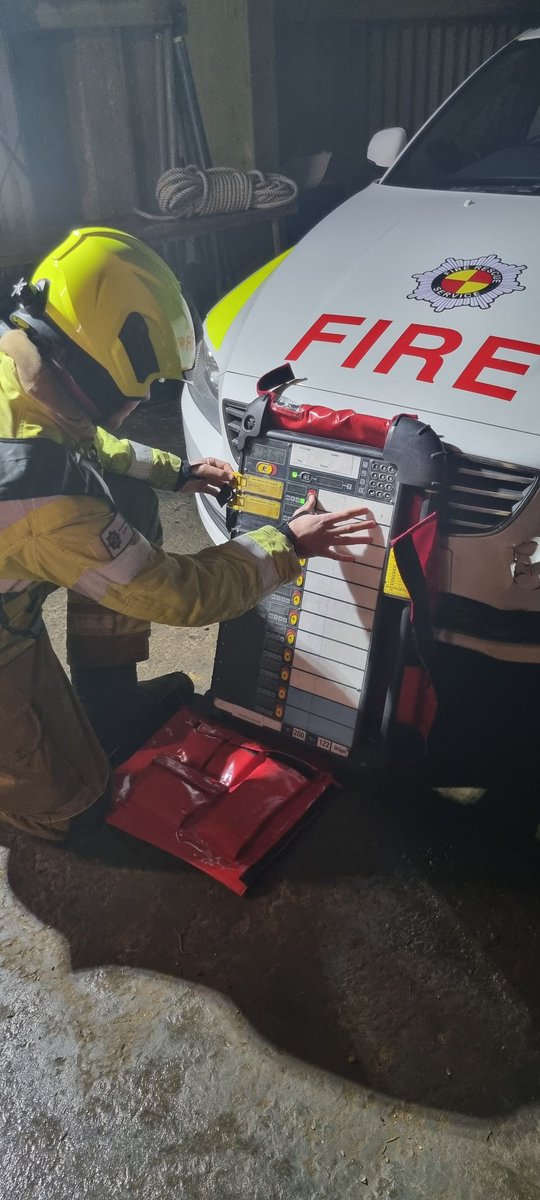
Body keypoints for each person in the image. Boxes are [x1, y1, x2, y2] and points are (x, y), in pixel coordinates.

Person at [0, 226, 375, 845]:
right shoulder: (47, 495)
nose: (145, 397)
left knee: (128, 503)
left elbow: (85, 447)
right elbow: (179, 596)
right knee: (74, 802)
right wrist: (289, 543)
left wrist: (179, 472)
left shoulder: (27, 368)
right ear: (97, 367)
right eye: (142, 384)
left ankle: (108, 701)